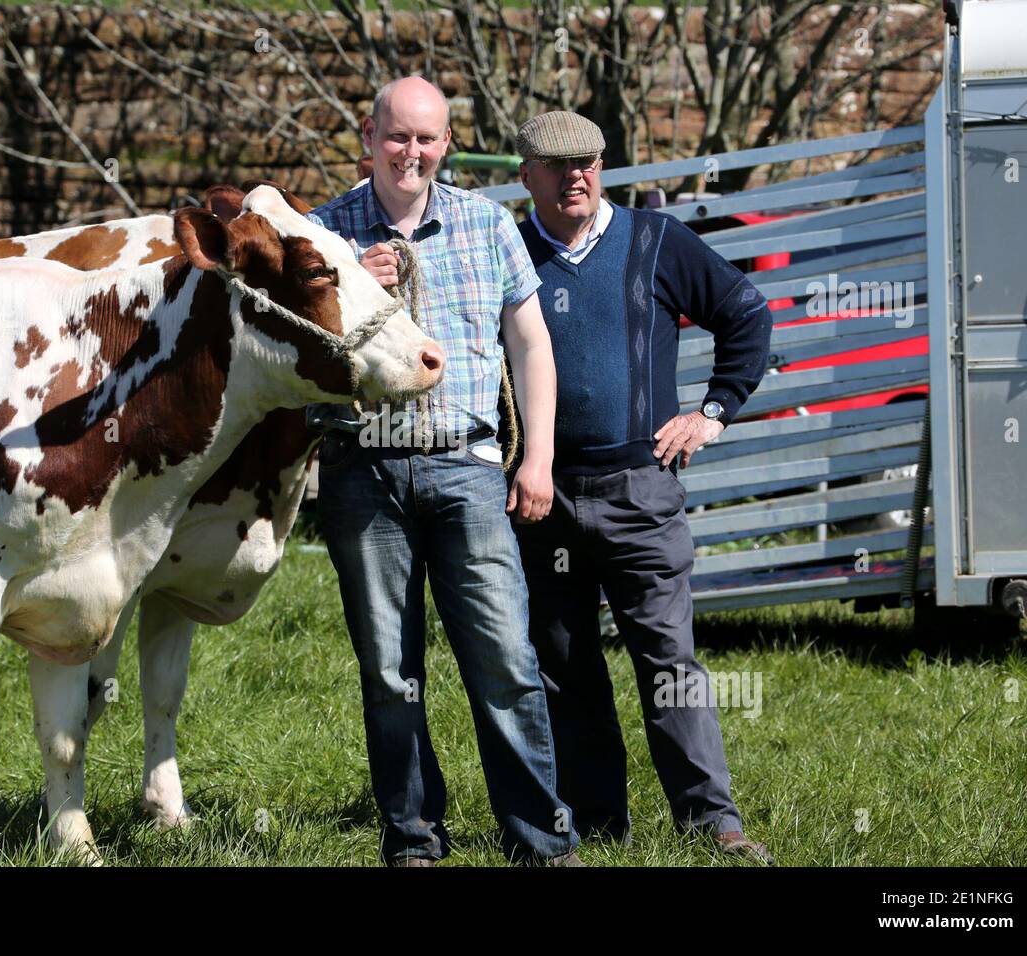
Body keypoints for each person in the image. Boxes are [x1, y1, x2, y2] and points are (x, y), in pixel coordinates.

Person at [307, 77, 581, 866]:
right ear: (369, 137)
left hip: (467, 468)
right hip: (364, 473)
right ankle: (413, 839)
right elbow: (302, 366)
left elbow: (531, 345)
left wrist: (538, 456)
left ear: (447, 144)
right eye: (398, 137)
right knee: (391, 673)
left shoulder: (486, 224)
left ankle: (541, 842)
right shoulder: (326, 237)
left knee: (506, 662)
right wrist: (346, 290)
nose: (412, 153)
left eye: (427, 139)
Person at [512, 110, 777, 864]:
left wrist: (711, 414)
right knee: (564, 666)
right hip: (541, 495)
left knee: (669, 662)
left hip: (640, 491)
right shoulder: (510, 250)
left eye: (590, 162)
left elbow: (746, 315)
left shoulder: (657, 240)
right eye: (558, 166)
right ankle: (597, 823)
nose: (577, 177)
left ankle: (713, 824)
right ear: (526, 174)